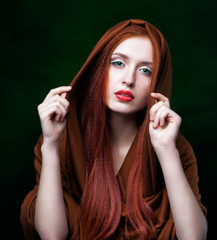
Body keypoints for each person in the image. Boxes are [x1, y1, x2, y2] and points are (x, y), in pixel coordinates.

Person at [20, 19, 207, 240]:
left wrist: (166, 151)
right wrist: (51, 145)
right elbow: (52, 235)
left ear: (158, 82)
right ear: (98, 67)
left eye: (146, 70)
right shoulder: (61, 137)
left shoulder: (176, 147)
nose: (128, 80)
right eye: (118, 63)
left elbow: (194, 237)